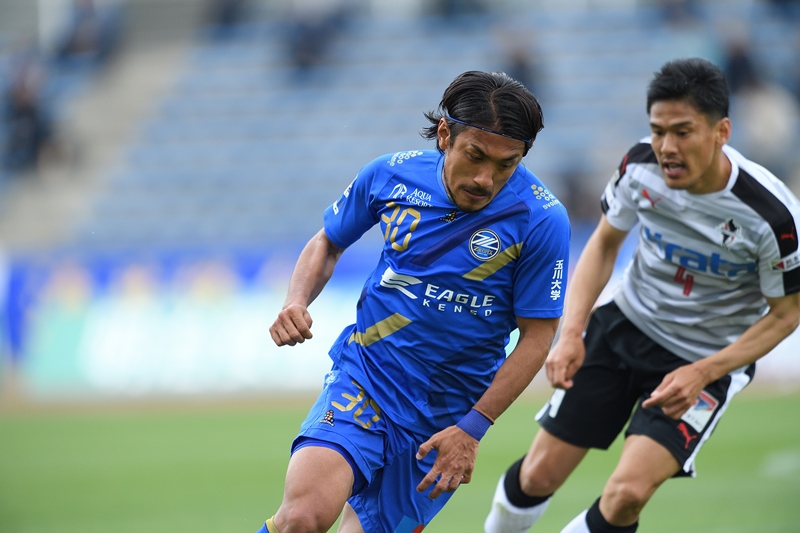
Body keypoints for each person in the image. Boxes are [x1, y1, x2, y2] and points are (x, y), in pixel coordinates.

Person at [484, 57, 800, 533]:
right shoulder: (639, 166)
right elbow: (603, 244)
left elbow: (786, 314)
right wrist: (571, 332)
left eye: (683, 132)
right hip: (623, 328)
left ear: (722, 132)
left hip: (705, 361)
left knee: (627, 495)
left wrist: (704, 371)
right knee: (537, 475)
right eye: (657, 131)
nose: (667, 147)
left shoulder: (772, 216)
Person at [257, 70, 571, 533]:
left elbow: (538, 338)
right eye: (475, 156)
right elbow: (328, 240)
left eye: (506, 165)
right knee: (301, 518)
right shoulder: (390, 174)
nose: (485, 179)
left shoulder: (541, 219)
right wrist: (296, 299)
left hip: (446, 418)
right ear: (445, 135)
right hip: (367, 380)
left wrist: (473, 428)